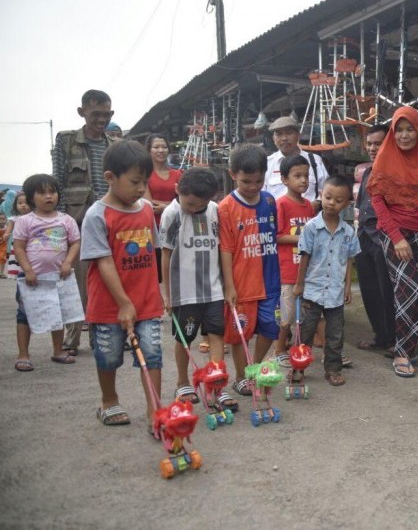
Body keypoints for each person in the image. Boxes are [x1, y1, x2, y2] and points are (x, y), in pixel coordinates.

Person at [81, 140, 163, 430]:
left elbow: (154, 250)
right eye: (134, 182)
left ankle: (155, 410)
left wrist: (157, 292)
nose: (141, 189)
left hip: (147, 301)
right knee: (109, 355)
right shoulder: (97, 215)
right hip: (109, 305)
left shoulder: (144, 210)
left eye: (145, 182)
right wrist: (124, 303)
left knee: (152, 353)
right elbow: (103, 262)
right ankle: (109, 401)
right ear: (110, 178)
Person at [366, 106, 418, 377]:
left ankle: (409, 350)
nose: (405, 135)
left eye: (410, 129)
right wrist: (397, 238)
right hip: (394, 232)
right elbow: (377, 201)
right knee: (406, 292)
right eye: (400, 130)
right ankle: (400, 354)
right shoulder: (384, 159)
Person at [159, 167, 236, 412]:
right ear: (178, 191)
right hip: (185, 292)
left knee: (216, 335)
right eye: (189, 203)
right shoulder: (172, 214)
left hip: (213, 289)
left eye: (198, 205)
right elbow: (165, 254)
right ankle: (183, 382)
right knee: (184, 338)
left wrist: (227, 285)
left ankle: (217, 386)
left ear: (210, 199)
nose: (192, 209)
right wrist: (167, 295)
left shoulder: (215, 211)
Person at [52, 89, 117, 354]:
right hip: (76, 222)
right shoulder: (66, 141)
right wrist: (60, 221)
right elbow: (57, 180)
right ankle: (72, 340)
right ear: (82, 112)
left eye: (106, 114)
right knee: (77, 285)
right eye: (95, 114)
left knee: (107, 281)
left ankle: (102, 338)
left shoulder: (114, 145)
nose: (101, 119)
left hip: (108, 220)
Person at [218, 144, 281, 396]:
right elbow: (225, 249)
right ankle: (241, 375)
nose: (253, 186)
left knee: (270, 327)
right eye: (246, 181)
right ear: (233, 174)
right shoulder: (225, 208)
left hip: (270, 280)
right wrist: (229, 285)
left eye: (258, 180)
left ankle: (254, 367)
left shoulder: (269, 200)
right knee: (239, 333)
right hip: (242, 283)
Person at [294, 175, 361, 386]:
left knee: (335, 335)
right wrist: (299, 284)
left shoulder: (349, 232)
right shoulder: (312, 227)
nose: (332, 203)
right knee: (305, 333)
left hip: (335, 292)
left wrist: (348, 287)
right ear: (321, 195)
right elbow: (304, 256)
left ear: (347, 204)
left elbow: (349, 261)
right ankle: (298, 369)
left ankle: (332, 369)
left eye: (338, 200)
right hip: (312, 290)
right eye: (328, 197)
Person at [12, 174, 82, 371]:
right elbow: (18, 247)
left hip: (59, 277)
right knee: (24, 315)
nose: (49, 196)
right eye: (42, 193)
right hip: (31, 278)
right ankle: (23, 354)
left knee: (57, 313)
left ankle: (58, 350)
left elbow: (75, 242)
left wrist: (68, 262)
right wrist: (27, 270)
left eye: (52, 192)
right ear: (31, 197)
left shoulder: (66, 220)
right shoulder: (25, 221)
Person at [355, 125, 396, 354]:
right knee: (369, 289)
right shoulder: (368, 172)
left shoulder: (394, 172)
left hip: (383, 238)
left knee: (387, 290)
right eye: (369, 143)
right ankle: (380, 335)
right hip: (364, 238)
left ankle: (393, 339)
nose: (372, 148)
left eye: (377, 143)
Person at [275, 155, 315, 367]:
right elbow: (277, 235)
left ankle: (297, 347)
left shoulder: (309, 206)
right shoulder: (281, 204)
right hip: (287, 271)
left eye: (306, 176)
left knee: (303, 313)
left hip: (306, 270)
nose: (303, 180)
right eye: (297, 176)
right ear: (284, 179)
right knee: (287, 314)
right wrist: (303, 239)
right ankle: (279, 348)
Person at [264, 116, 329, 209]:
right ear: (274, 139)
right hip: (278, 220)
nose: (284, 138)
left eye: (289, 133)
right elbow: (260, 195)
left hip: (309, 220)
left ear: (299, 135)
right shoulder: (267, 164)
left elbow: (327, 191)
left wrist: (317, 203)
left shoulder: (314, 160)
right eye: (279, 134)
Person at [144, 133, 182, 283]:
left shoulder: (177, 174)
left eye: (164, 147)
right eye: (156, 147)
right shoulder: (145, 175)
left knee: (177, 266)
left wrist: (164, 206)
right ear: (149, 150)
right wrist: (172, 204)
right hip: (155, 227)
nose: (160, 150)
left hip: (177, 225)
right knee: (159, 269)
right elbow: (148, 204)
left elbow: (185, 201)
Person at [5, 192, 31, 278]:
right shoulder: (14, 218)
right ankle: (18, 274)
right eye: (20, 203)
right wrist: (6, 234)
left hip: (30, 243)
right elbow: (9, 229)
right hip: (17, 244)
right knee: (18, 259)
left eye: (26, 203)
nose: (23, 205)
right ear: (15, 205)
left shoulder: (33, 217)